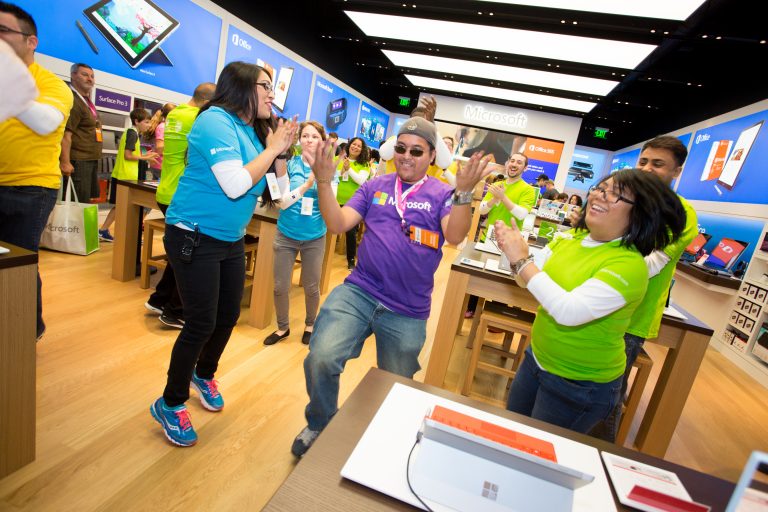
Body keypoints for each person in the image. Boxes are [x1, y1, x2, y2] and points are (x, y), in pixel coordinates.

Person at [291, 117, 493, 457]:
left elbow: (456, 236)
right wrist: (324, 182)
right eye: (400, 148)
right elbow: (339, 224)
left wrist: (463, 194)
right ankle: (321, 422)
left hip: (407, 308)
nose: (406, 156)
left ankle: (388, 439)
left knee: (396, 384)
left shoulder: (443, 194)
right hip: (359, 291)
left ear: (431, 155)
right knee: (321, 358)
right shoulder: (375, 185)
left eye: (416, 150)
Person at [149, 61, 298, 447]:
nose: (271, 94)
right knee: (200, 322)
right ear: (242, 87)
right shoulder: (215, 120)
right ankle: (170, 401)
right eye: (265, 86)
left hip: (229, 237)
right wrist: (272, 150)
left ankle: (204, 372)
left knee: (228, 314)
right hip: (193, 235)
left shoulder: (254, 131)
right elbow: (234, 185)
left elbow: (280, 198)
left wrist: (279, 153)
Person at [494, 168, 686, 434]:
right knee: (513, 433)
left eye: (615, 195)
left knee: (541, 455)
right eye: (600, 188)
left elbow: (568, 311)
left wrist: (522, 260)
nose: (599, 196)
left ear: (640, 213)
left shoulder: (629, 265)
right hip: (536, 358)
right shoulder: (572, 239)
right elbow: (524, 280)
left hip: (579, 384)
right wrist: (514, 254)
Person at [594, 135, 698, 442]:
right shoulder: (624, 202)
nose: (648, 169)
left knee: (606, 397)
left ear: (676, 171)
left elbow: (649, 264)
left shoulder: (682, 214)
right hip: (594, 303)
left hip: (631, 318)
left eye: (658, 164)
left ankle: (600, 458)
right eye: (643, 162)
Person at [0, 2, 73, 340]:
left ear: (31, 42)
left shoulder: (52, 84)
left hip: (31, 188)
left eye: (4, 31)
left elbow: (46, 123)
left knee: (18, 263)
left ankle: (27, 330)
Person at [145, 82, 215, 328]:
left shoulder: (174, 113)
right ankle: (175, 311)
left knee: (179, 255)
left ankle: (159, 299)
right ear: (208, 103)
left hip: (166, 190)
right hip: (183, 195)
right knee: (189, 258)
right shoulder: (200, 118)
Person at [263, 121, 330, 346]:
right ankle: (283, 328)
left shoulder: (328, 168)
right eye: (305, 136)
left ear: (322, 140)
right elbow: (281, 202)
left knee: (312, 286)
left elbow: (330, 203)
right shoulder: (286, 164)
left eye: (314, 136)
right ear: (299, 140)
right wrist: (306, 185)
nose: (309, 140)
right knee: (280, 286)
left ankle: (310, 325)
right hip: (286, 234)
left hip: (314, 236)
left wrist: (319, 180)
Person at [465, 152, 537, 318]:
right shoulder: (497, 185)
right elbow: (482, 209)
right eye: (512, 161)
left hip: (509, 244)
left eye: (519, 162)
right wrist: (494, 200)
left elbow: (521, 214)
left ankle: (495, 315)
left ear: (525, 168)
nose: (514, 164)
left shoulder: (527, 190)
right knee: (478, 276)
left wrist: (502, 197)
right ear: (507, 163)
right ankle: (472, 309)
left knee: (503, 281)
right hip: (487, 238)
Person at [97, 108, 158, 241]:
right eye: (146, 122)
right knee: (122, 206)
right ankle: (105, 231)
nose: (148, 125)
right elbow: (128, 155)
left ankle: (103, 230)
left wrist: (145, 155)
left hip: (125, 175)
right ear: (137, 121)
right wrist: (144, 158)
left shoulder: (132, 133)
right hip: (124, 176)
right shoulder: (132, 133)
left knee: (120, 206)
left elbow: (132, 154)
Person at [59, 63, 102, 203]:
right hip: (78, 162)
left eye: (92, 76)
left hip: (89, 160)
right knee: (76, 203)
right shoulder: (73, 100)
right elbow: (66, 135)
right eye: (85, 75)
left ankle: (81, 226)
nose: (90, 79)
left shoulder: (86, 101)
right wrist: (65, 162)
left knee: (84, 202)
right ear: (73, 75)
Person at [335, 136, 371, 270]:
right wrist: (342, 170)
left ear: (362, 150)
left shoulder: (364, 165)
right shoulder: (338, 159)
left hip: (353, 203)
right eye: (353, 144)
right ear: (349, 145)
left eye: (359, 146)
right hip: (334, 200)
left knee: (350, 231)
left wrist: (348, 169)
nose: (355, 147)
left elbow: (361, 181)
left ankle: (351, 259)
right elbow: (331, 175)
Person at [141, 102, 176, 180]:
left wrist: (147, 157)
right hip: (160, 165)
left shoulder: (155, 127)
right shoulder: (162, 127)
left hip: (154, 164)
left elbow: (143, 146)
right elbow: (159, 148)